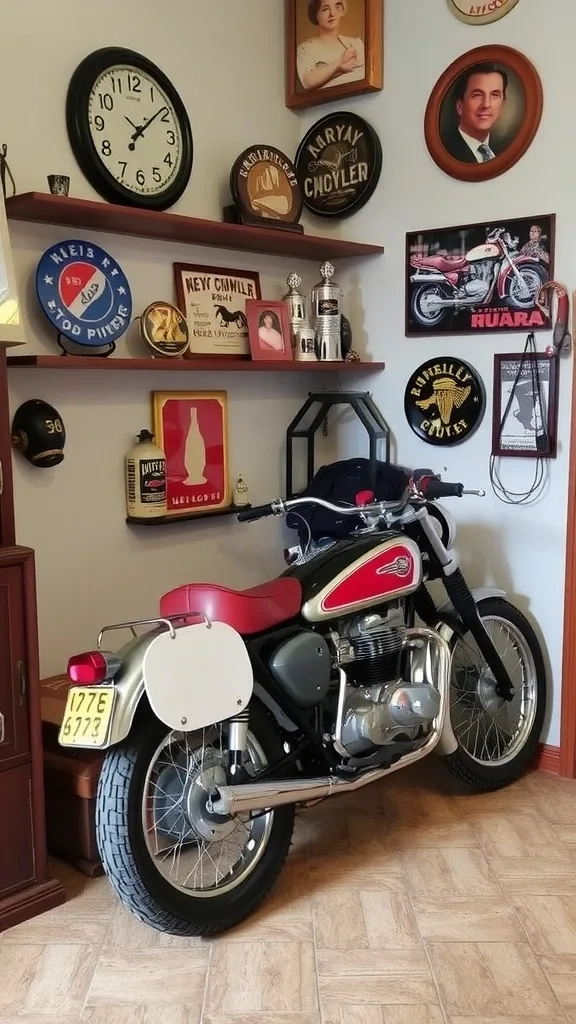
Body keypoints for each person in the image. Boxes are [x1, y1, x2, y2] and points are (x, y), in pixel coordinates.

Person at [441, 62, 509, 164]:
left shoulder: (505, 148)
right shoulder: (444, 150)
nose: (486, 104)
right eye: (477, 95)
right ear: (460, 106)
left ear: (502, 104)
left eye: (494, 95)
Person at [296, 0, 365, 92]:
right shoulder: (306, 49)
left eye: (337, 7)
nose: (332, 13)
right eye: (325, 9)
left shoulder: (356, 44)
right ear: (316, 14)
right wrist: (339, 64)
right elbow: (307, 82)